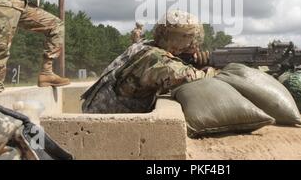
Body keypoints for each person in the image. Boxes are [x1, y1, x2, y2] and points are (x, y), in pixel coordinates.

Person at [81, 10, 217, 113]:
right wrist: (210, 68)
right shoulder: (155, 58)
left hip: (100, 113)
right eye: (191, 43)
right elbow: (195, 78)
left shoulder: (145, 46)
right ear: (177, 41)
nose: (195, 48)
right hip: (106, 127)